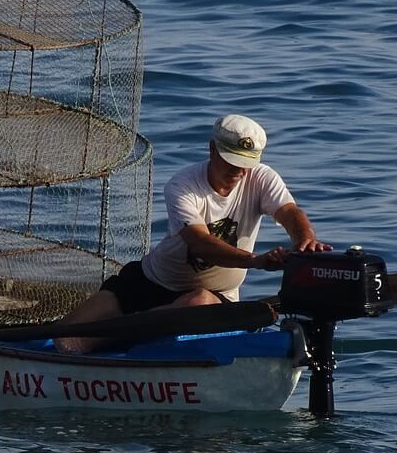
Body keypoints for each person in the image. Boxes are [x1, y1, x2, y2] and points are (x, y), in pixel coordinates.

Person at [55, 114, 332, 354]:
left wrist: (304, 240)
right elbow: (200, 244)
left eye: (245, 163)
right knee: (66, 339)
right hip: (149, 283)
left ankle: (121, 338)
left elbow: (289, 212)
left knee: (198, 301)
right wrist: (255, 261)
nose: (238, 171)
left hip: (213, 294)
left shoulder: (261, 178)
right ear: (212, 149)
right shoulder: (183, 185)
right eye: (231, 161)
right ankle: (128, 336)